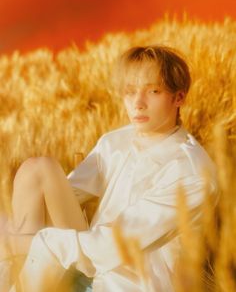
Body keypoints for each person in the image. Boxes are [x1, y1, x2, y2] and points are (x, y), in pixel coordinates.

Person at [1, 45, 218, 292]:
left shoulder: (191, 173)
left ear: (178, 97)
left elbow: (117, 243)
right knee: (37, 169)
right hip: (85, 265)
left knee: (22, 246)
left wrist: (27, 244)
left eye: (153, 91)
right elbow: (65, 195)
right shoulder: (115, 142)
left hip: (125, 283)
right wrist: (18, 233)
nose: (138, 103)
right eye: (129, 92)